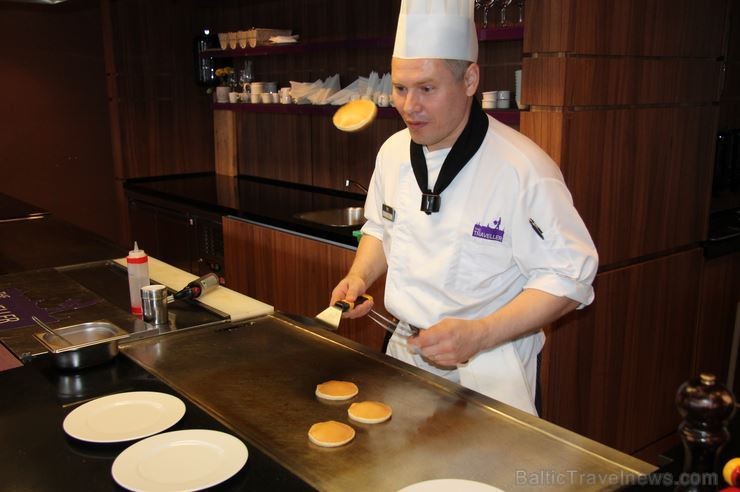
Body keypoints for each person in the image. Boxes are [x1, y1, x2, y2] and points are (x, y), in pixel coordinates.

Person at [330, 0, 598, 416]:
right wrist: (358, 276)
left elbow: (569, 276)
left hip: (490, 368)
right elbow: (382, 228)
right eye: (400, 88)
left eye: (427, 89)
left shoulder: (523, 169)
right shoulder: (393, 152)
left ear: (470, 79)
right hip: (406, 354)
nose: (409, 106)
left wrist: (481, 333)